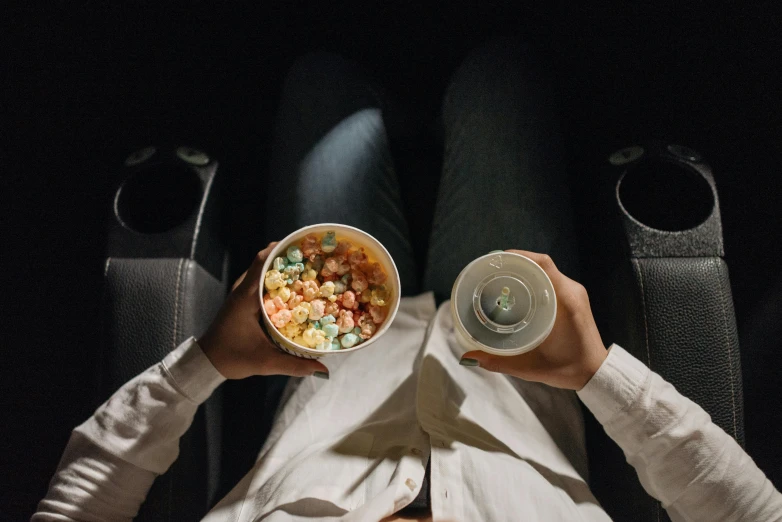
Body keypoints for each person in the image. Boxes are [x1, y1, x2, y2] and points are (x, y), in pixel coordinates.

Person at [34, 42, 781, 521]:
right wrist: (596, 372)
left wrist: (207, 363)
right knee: (499, 82)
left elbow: (74, 505)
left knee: (323, 84)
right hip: (519, 356)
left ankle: (397, 126)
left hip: (327, 355)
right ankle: (431, 129)